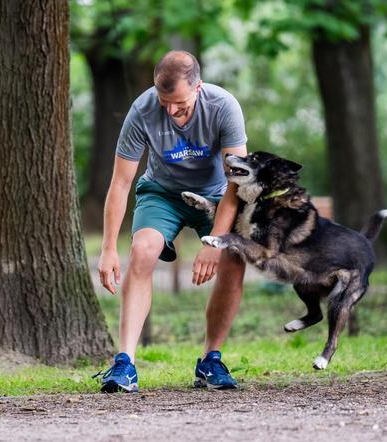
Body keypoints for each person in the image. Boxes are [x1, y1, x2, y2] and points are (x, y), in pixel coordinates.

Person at [95, 50, 247, 392]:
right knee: (143, 250)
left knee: (234, 259)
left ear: (199, 87)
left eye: (180, 104)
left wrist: (215, 242)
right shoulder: (143, 110)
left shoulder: (224, 107)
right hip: (162, 194)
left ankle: (211, 361)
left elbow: (238, 183)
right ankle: (125, 364)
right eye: (165, 102)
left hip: (217, 196)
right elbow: (120, 183)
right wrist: (107, 248)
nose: (172, 112)